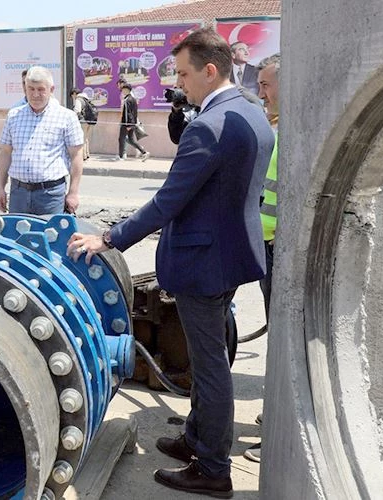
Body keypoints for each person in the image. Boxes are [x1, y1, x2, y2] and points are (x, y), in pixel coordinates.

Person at [66, 28, 275, 498]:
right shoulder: (251, 111)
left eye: (183, 73)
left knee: (209, 367)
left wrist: (108, 238)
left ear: (210, 70)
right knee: (213, 357)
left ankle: (213, 468)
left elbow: (168, 202)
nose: (179, 82)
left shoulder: (209, 125)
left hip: (202, 261)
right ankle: (197, 440)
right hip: (232, 254)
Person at [244, 52, 281, 464]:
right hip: (269, 248)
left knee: (285, 346)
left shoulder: (294, 130)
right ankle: (273, 417)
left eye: (267, 85)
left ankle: (274, 435)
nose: (261, 92)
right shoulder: (277, 126)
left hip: (280, 250)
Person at [0, 66, 83, 216]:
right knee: (17, 238)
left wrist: (73, 193)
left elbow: (76, 155)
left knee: (50, 237)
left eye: (41, 89)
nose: (35, 94)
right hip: (19, 194)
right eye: (31, 89)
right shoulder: (14, 116)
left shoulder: (66, 117)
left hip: (50, 195)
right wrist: (0, 188)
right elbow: (5, 153)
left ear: (51, 89)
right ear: (25, 88)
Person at [117, 83, 149, 161]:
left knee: (121, 139)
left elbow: (128, 113)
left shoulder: (127, 100)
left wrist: (128, 125)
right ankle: (144, 152)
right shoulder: (133, 99)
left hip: (126, 123)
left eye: (123, 89)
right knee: (131, 140)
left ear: (127, 90)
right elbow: (135, 113)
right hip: (132, 123)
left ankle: (121, 157)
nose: (122, 91)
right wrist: (133, 124)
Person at [70, 88, 94, 161]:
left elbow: (77, 111)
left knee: (82, 139)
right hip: (88, 121)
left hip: (82, 122)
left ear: (74, 93)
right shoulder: (86, 99)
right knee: (85, 138)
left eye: (72, 95)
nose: (72, 98)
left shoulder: (78, 100)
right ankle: (86, 154)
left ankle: (83, 156)